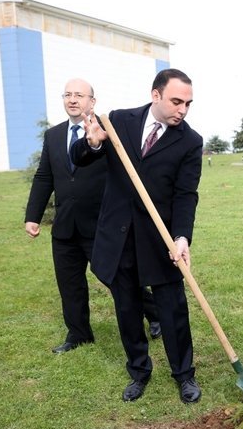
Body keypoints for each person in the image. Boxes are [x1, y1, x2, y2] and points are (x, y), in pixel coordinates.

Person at [72, 68, 204, 404]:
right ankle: (139, 371)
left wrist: (181, 237)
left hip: (159, 238)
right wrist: (93, 142)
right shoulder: (118, 121)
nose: (183, 110)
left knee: (173, 309)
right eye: (177, 101)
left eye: (188, 104)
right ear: (156, 95)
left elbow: (186, 194)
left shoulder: (190, 141)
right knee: (127, 308)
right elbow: (80, 158)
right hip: (117, 235)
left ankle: (184, 375)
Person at [25, 79, 161, 355]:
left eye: (79, 95)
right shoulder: (53, 136)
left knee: (117, 279)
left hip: (102, 223)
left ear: (92, 101)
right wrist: (33, 216)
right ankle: (78, 334)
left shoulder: (109, 128)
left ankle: (154, 313)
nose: (72, 100)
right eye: (67, 95)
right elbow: (44, 177)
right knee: (69, 283)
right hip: (65, 226)